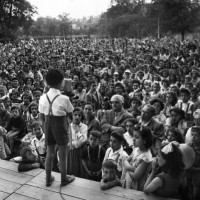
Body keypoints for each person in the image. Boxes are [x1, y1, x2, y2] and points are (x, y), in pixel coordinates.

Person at [39, 68, 75, 187]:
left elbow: (41, 116)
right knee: (63, 155)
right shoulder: (64, 98)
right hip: (60, 126)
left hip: (47, 124)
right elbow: (71, 114)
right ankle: (63, 179)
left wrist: (46, 125)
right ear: (61, 82)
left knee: (50, 154)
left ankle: (48, 178)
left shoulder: (42, 97)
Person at [122, 125, 153, 190]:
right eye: (133, 136)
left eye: (137, 137)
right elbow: (126, 159)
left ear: (145, 140)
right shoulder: (136, 149)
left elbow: (135, 176)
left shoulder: (146, 157)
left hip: (137, 185)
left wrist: (128, 167)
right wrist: (133, 168)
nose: (133, 139)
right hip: (129, 180)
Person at [67, 107, 88, 178]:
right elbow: (67, 142)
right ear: (72, 115)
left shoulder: (84, 127)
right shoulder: (68, 126)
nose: (77, 117)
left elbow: (83, 140)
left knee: (80, 173)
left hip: (81, 152)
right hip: (71, 152)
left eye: (79, 115)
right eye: (75, 115)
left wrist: (77, 131)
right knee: (71, 170)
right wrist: (76, 143)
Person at [187, 126, 200, 200]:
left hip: (197, 174)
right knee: (188, 192)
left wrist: (196, 169)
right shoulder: (189, 146)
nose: (193, 137)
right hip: (188, 172)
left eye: (196, 135)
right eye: (192, 135)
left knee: (195, 195)